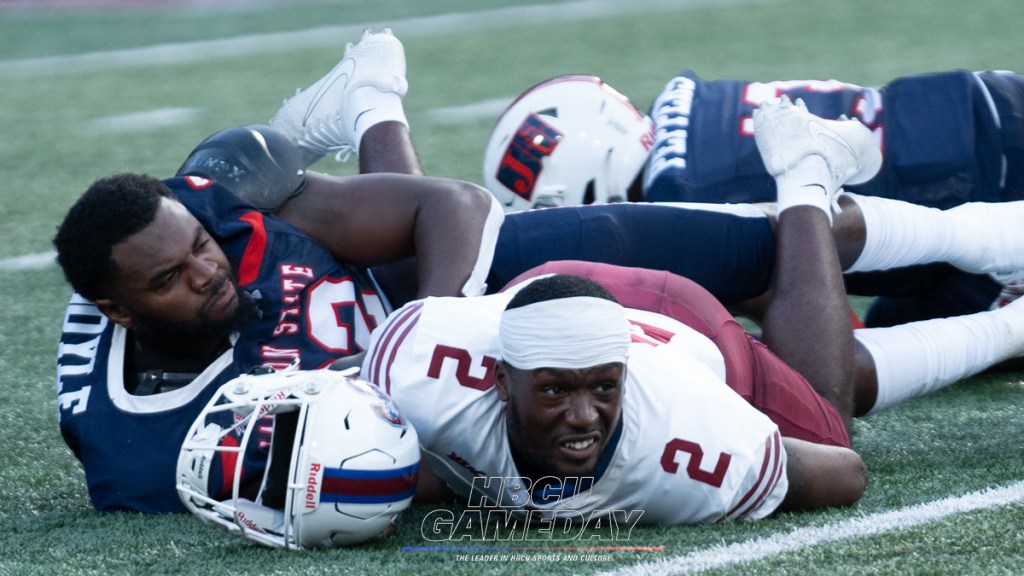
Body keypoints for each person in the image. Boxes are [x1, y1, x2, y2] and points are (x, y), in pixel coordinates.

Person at [364, 98, 1024, 521]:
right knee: (784, 268)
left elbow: (843, 476)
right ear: (498, 378)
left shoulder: (685, 446)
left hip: (681, 324)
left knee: (827, 421)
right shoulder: (410, 361)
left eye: (600, 389)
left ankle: (809, 177)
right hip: (556, 289)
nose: (583, 416)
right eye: (556, 391)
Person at [53, 29, 503, 514]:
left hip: (415, 283)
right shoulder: (137, 454)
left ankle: (368, 101)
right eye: (170, 280)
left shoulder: (215, 226)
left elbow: (451, 205)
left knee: (245, 169)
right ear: (116, 311)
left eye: (201, 247)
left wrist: (419, 341)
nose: (205, 273)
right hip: (386, 369)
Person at [482, 70, 1024, 327]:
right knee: (898, 319)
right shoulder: (686, 98)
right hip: (974, 99)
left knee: (897, 336)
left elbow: (832, 331)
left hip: (969, 190)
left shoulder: (681, 196)